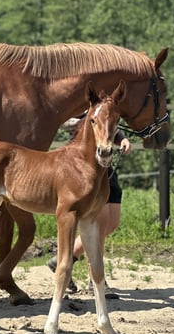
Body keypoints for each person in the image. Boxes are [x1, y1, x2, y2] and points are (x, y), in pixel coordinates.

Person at [46, 115, 131, 299]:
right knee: (98, 225)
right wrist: (82, 122)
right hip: (85, 166)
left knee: (111, 223)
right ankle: (96, 280)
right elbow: (61, 121)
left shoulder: (106, 100)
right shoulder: (85, 99)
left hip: (106, 164)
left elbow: (108, 126)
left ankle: (62, 260)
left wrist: (122, 138)